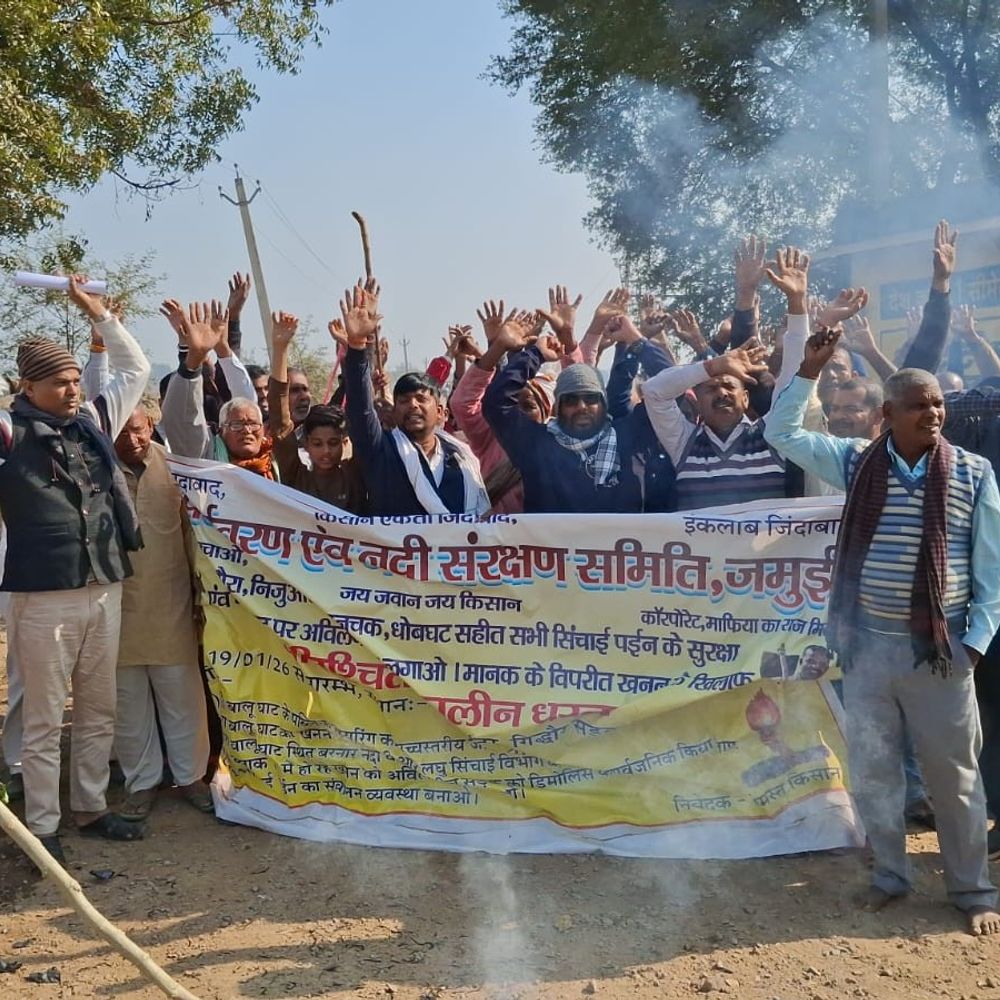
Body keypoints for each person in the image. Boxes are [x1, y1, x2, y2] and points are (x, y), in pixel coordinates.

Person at [765, 329, 1000, 937]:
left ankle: (972, 890)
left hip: (941, 655)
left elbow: (991, 573)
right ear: (886, 416)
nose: (935, 413)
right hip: (866, 649)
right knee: (874, 772)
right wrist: (807, 373)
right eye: (919, 405)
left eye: (938, 404)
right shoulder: (854, 463)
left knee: (955, 778)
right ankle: (891, 878)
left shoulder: (973, 474)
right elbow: (782, 433)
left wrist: (973, 644)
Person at [0, 276, 151, 862]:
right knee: (42, 718)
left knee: (97, 707)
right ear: (27, 387)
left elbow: (133, 367)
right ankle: (42, 827)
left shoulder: (92, 421)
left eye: (72, 379)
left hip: (103, 586)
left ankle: (90, 808)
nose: (71, 389)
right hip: (43, 597)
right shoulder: (10, 433)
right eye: (58, 383)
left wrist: (100, 319)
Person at [111, 399, 212, 823]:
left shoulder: (175, 467)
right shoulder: (99, 469)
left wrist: (200, 595)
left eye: (140, 429)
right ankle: (141, 782)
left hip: (170, 601)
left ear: (151, 424)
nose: (133, 440)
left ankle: (191, 778)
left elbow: (194, 535)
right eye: (123, 432)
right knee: (128, 702)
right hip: (116, 608)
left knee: (182, 697)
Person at [341, 282, 489, 516]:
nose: (413, 405)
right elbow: (360, 410)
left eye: (421, 398)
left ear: (440, 411)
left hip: (455, 552)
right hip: (397, 553)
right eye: (404, 400)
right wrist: (358, 346)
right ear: (394, 410)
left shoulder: (461, 459)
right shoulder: (381, 449)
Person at [268, 311, 367, 512]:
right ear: (305, 443)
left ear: (344, 442)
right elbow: (279, 419)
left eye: (333, 443)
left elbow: (362, 406)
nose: (326, 452)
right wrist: (280, 349)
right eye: (317, 444)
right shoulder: (295, 475)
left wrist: (354, 348)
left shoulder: (355, 474)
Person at [159, 302, 269, 475]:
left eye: (253, 424)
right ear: (221, 429)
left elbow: (246, 398)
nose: (247, 431)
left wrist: (223, 349)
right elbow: (183, 418)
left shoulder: (273, 461)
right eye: (237, 425)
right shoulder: (206, 455)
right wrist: (194, 358)